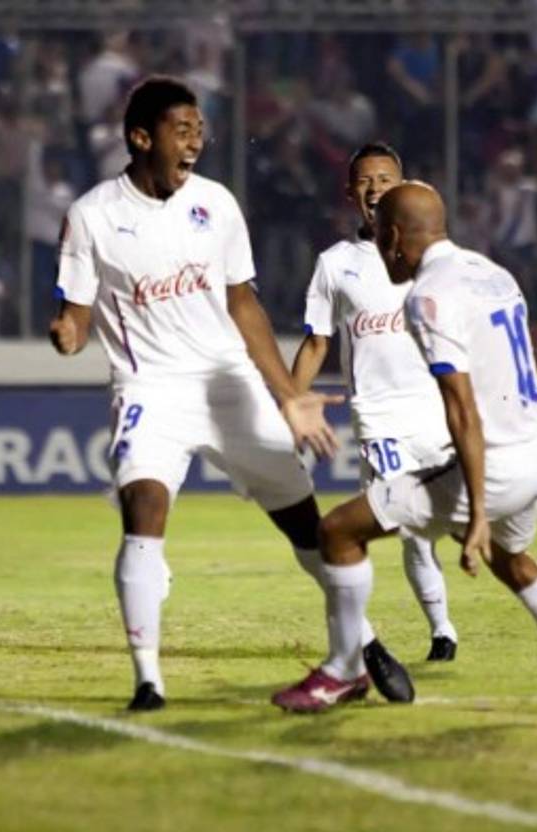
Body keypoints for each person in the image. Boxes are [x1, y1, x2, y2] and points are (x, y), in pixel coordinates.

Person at [49, 76, 414, 711]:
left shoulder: (215, 204)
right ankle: (148, 681)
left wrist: (286, 396)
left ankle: (363, 644)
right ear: (141, 137)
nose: (197, 141)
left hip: (229, 385)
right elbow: (75, 311)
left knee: (311, 530)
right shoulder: (92, 216)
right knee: (144, 512)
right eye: (182, 129)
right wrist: (68, 331)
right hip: (151, 389)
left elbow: (244, 305)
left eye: (200, 129)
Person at [274, 182, 537, 716]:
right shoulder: (493, 273)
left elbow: (462, 410)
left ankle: (345, 670)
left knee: (338, 530)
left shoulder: (426, 297)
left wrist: (479, 512)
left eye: (379, 239)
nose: (377, 250)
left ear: (395, 236)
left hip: (495, 466)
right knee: (513, 564)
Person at [291, 142, 459, 663]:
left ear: (404, 186)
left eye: (385, 178)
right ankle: (432, 635)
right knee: (405, 525)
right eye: (365, 180)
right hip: (379, 419)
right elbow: (317, 341)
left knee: (439, 529)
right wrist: (293, 400)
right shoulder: (337, 265)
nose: (375, 188)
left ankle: (441, 627)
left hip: (433, 411)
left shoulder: (431, 258)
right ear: (350, 192)